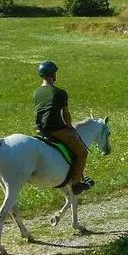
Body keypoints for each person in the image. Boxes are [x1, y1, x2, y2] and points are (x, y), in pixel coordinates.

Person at [33, 61, 94, 195]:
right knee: (83, 153)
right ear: (53, 74)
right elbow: (65, 113)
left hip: (40, 129)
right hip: (56, 129)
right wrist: (69, 127)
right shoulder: (60, 93)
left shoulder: (36, 92)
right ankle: (77, 184)